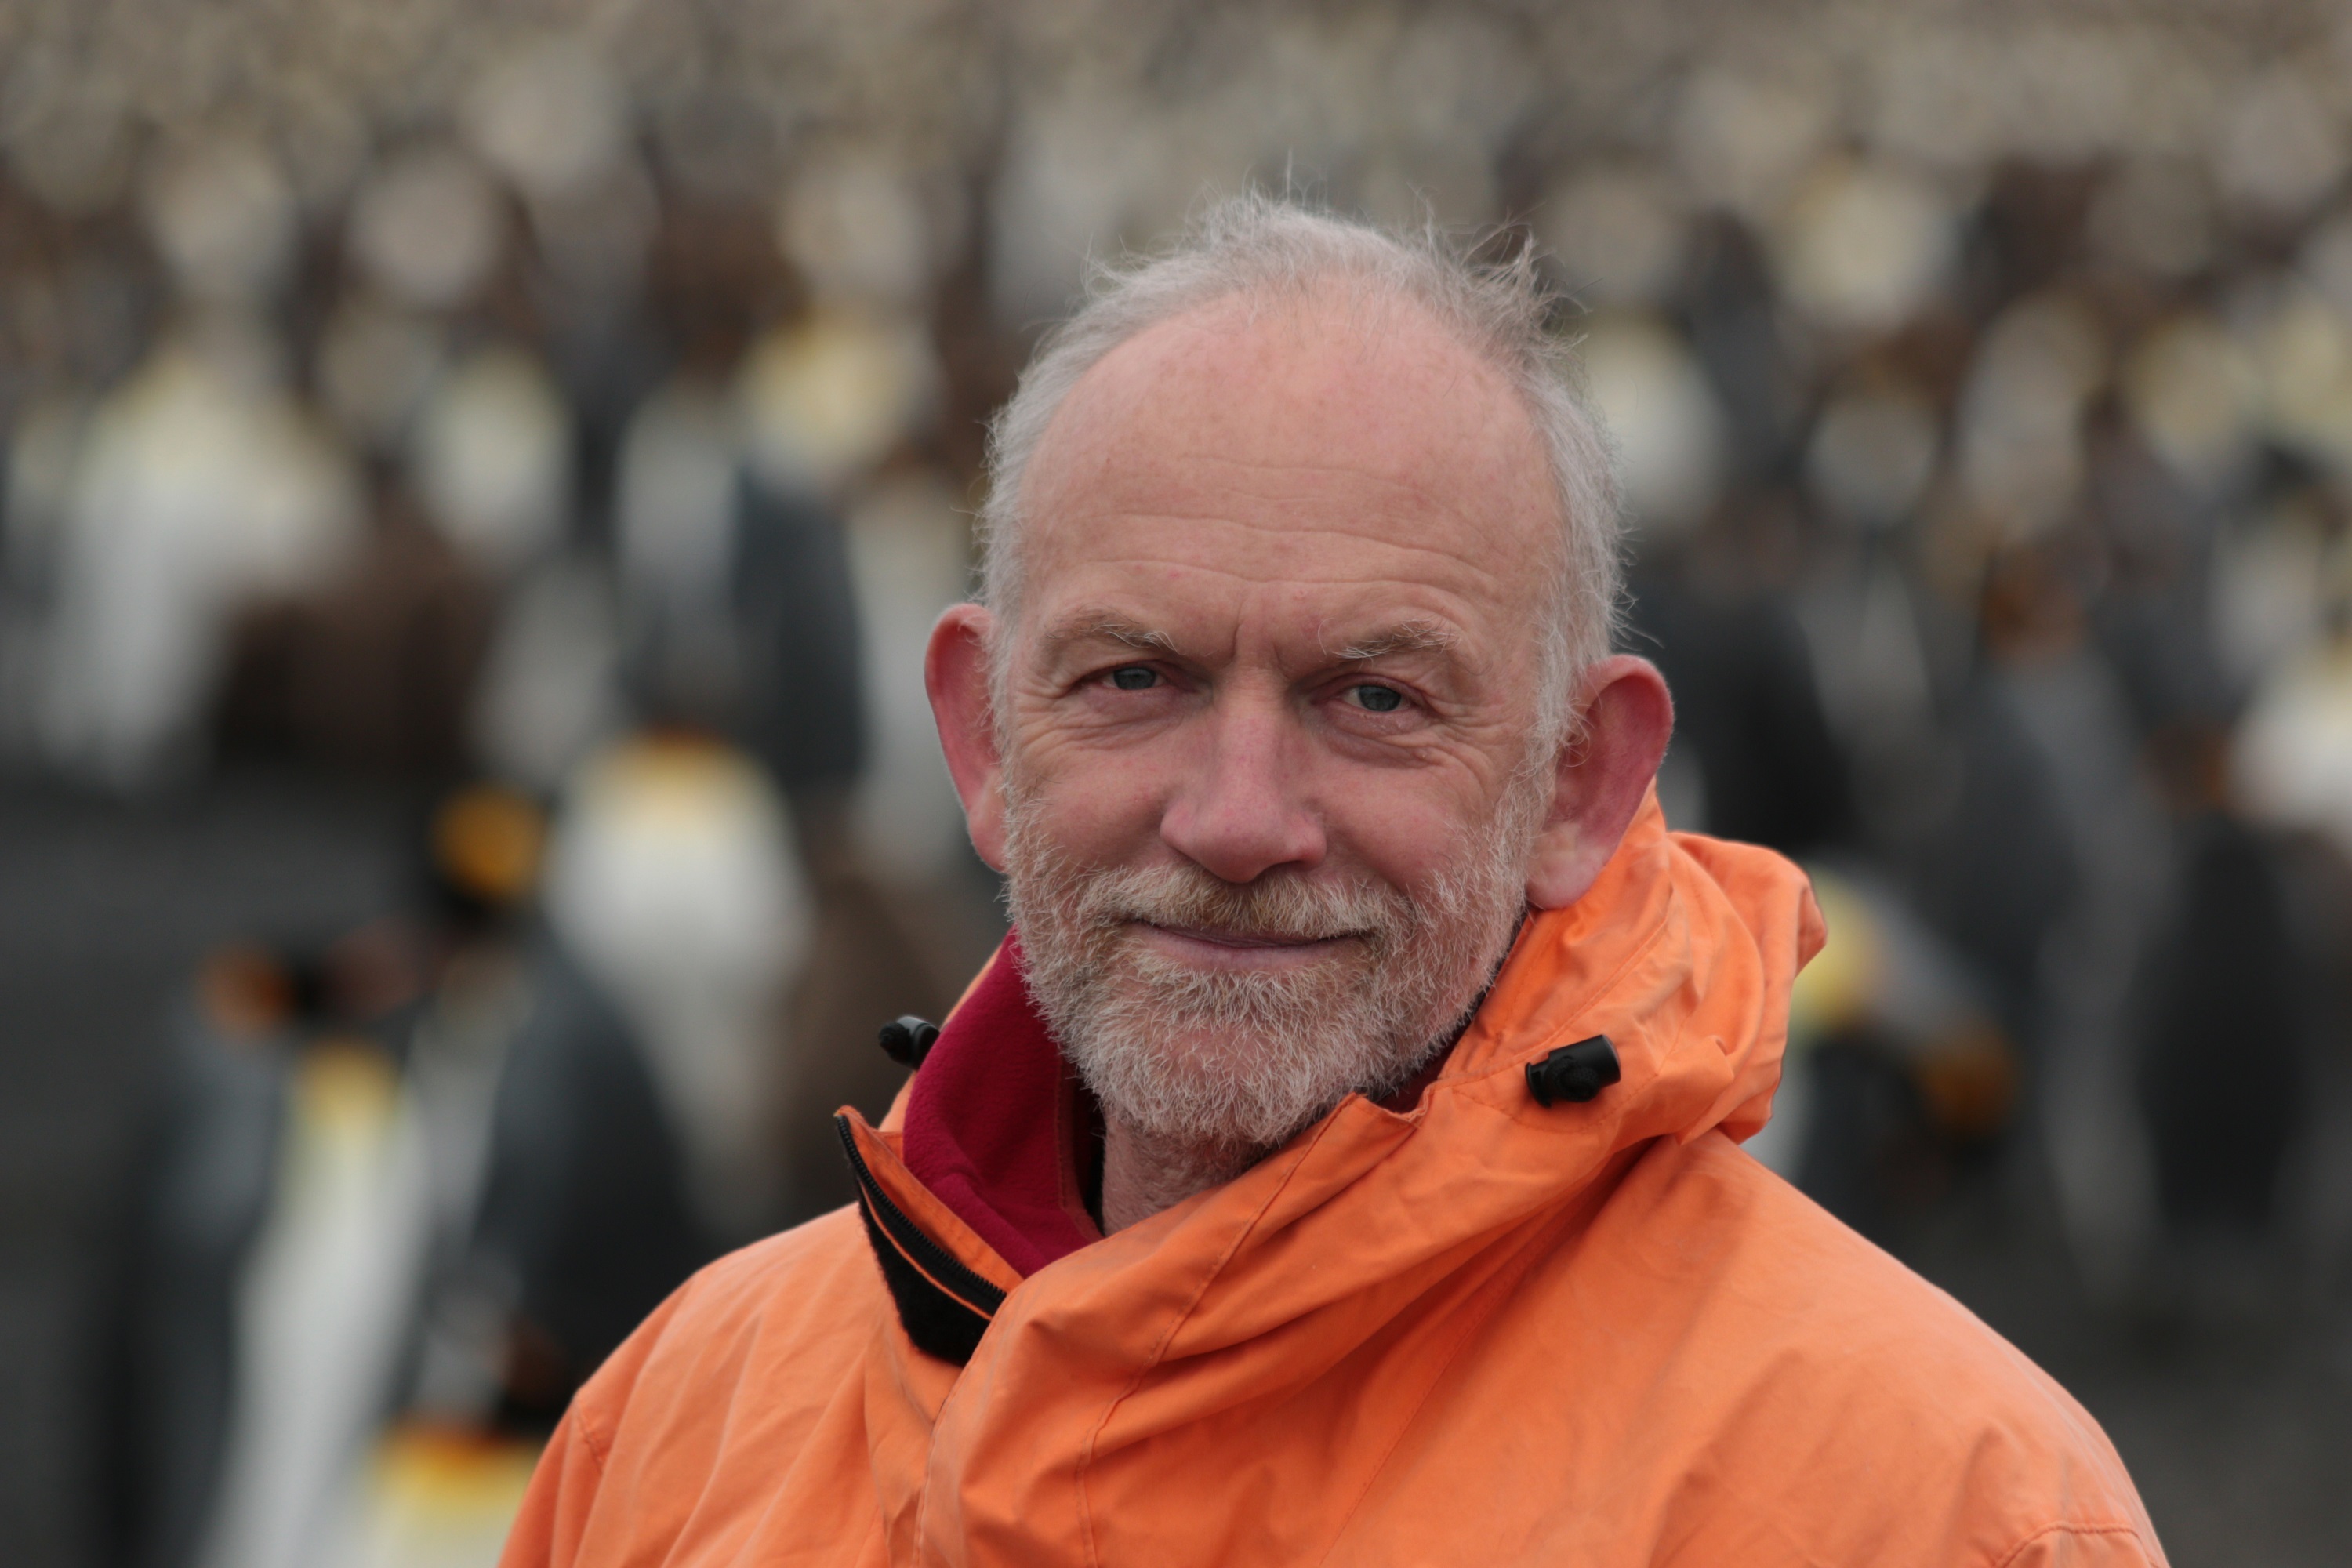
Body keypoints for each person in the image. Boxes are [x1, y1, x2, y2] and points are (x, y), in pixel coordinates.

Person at [498, 198, 2163, 1567]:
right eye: (1131, 678)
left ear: (1579, 781)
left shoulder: (1944, 1507)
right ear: (983, 740)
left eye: (1374, 697)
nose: (1236, 821)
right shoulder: (676, 1421)